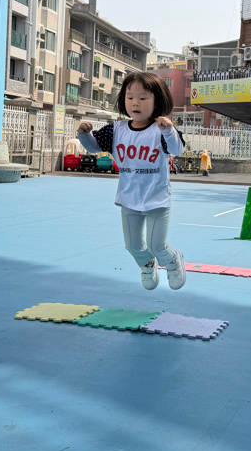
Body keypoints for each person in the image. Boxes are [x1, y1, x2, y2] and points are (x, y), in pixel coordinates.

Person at [77, 72, 187, 290]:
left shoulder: (160, 130)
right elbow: (94, 147)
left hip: (156, 199)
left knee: (158, 246)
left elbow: (176, 149)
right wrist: (84, 135)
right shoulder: (116, 130)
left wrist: (168, 131)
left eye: (143, 98)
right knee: (133, 246)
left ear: (157, 101)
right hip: (129, 199)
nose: (135, 102)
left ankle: (173, 262)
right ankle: (147, 266)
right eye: (130, 97)